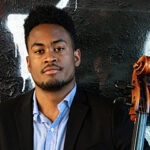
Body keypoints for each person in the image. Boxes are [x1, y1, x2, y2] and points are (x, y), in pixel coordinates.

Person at [0, 5, 143, 150]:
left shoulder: (112, 118)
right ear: (29, 63)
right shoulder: (3, 119)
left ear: (76, 57)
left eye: (59, 48)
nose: (49, 58)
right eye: (39, 51)